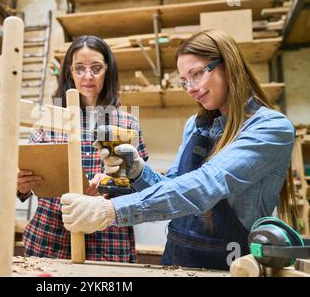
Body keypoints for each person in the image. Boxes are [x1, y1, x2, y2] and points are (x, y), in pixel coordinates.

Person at [60, 29, 295, 270]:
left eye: (196, 74)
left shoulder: (271, 128)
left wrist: (110, 210)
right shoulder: (195, 126)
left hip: (230, 266)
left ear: (229, 64)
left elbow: (206, 185)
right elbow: (173, 188)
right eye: (184, 81)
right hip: (176, 259)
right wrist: (137, 171)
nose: (191, 88)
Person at [17, 35, 148, 262]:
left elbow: (145, 187)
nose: (88, 76)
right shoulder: (50, 119)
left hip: (108, 239)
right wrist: (21, 186)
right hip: (52, 237)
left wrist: (110, 185)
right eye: (80, 69)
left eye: (96, 68)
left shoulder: (128, 123)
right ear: (70, 72)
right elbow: (28, 178)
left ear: (108, 70)